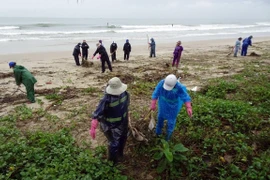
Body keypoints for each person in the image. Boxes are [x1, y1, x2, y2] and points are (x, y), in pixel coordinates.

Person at [90, 77, 130, 164]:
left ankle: (120, 154)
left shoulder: (125, 94)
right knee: (114, 143)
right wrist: (93, 125)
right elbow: (97, 113)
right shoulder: (106, 99)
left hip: (122, 122)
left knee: (123, 137)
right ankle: (112, 162)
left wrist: (127, 119)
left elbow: (126, 106)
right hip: (110, 125)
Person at [150, 74, 192, 141]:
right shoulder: (161, 83)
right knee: (160, 117)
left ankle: (168, 137)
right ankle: (158, 133)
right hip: (163, 103)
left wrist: (188, 107)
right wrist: (153, 103)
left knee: (171, 120)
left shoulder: (179, 87)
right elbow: (156, 92)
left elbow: (185, 96)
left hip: (173, 106)